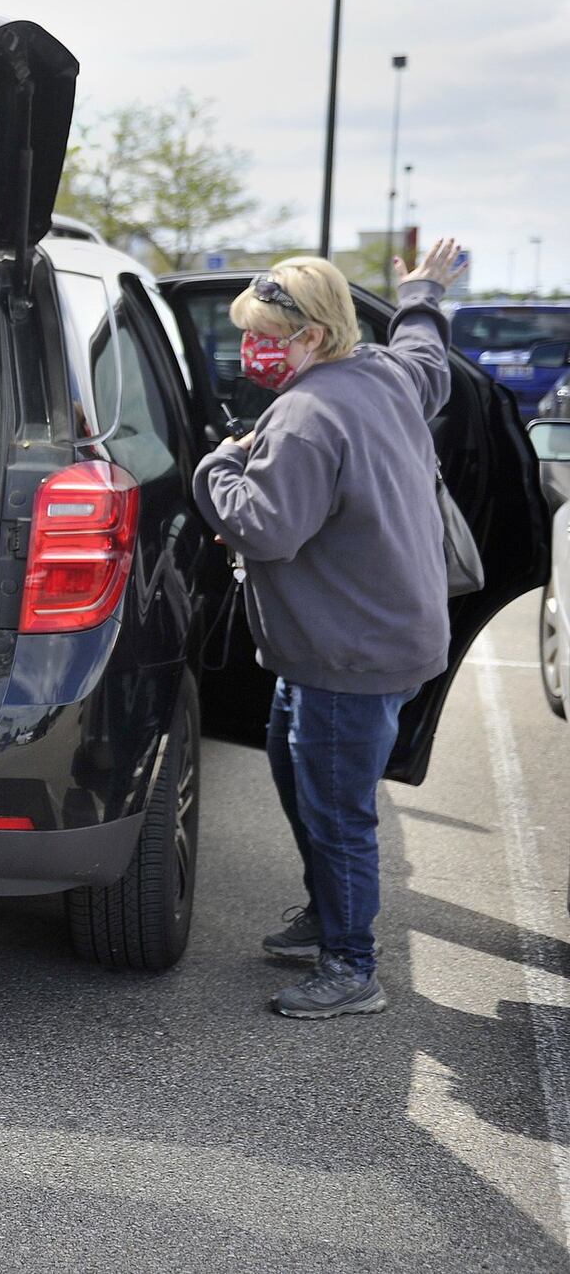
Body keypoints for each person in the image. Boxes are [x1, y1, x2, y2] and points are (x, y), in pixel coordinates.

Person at [193, 238, 464, 1020]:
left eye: (266, 337)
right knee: (292, 763)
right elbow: (428, 358)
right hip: (375, 636)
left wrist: (220, 464)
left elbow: (265, 530)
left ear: (313, 335)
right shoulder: (382, 372)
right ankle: (326, 919)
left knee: (338, 811)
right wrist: (421, 293)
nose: (252, 350)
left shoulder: (307, 418)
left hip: (350, 653)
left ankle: (352, 967)